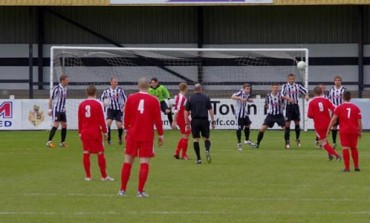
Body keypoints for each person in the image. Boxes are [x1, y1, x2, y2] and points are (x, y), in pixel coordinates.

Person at [118, 77, 164, 198]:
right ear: (148, 86)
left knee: (127, 161)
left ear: (138, 86)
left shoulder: (130, 98)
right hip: (146, 135)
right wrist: (161, 134)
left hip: (132, 134)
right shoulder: (154, 100)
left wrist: (126, 130)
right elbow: (158, 120)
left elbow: (126, 116)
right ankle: (140, 191)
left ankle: (122, 190)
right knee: (144, 162)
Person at [78, 85, 114, 182]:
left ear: (87, 92)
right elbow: (102, 119)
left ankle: (88, 176)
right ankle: (104, 176)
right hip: (95, 132)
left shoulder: (82, 104)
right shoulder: (98, 104)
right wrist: (106, 132)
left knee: (86, 153)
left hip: (85, 132)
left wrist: (79, 132)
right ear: (95, 93)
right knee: (100, 153)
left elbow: (80, 119)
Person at [327, 91, 362, 172]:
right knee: (354, 147)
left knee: (345, 147)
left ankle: (347, 168)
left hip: (344, 130)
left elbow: (333, 120)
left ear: (342, 98)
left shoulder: (339, 107)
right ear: (351, 98)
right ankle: (356, 167)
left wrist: (329, 129)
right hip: (354, 130)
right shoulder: (356, 108)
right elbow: (359, 121)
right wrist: (360, 131)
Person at [307, 86, 341, 161]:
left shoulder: (312, 102)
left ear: (314, 93)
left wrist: (316, 115)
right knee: (324, 139)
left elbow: (309, 115)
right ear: (322, 92)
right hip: (328, 123)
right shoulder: (326, 100)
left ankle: (337, 155)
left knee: (322, 142)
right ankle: (330, 154)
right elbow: (335, 108)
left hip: (319, 124)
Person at [184, 83, 215, 164]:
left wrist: (186, 123)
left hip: (194, 121)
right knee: (206, 138)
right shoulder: (206, 97)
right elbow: (210, 110)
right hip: (204, 120)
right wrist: (213, 121)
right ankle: (207, 150)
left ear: (194, 89)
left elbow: (186, 111)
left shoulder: (190, 98)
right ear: (201, 89)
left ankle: (198, 159)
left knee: (195, 140)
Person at [251, 83, 285, 149]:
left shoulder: (281, 96)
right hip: (271, 115)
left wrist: (281, 108)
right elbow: (266, 105)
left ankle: (287, 144)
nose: (275, 89)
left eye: (276, 88)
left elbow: (283, 105)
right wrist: (266, 107)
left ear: (278, 88)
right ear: (272, 88)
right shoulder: (268, 96)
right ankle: (257, 144)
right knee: (262, 129)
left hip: (279, 115)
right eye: (274, 87)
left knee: (286, 129)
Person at [280, 73, 309, 149]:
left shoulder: (297, 86)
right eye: (290, 79)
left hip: (296, 106)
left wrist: (306, 95)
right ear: (288, 79)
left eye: (293, 79)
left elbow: (305, 91)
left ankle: (298, 139)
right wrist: (288, 98)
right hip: (288, 106)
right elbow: (282, 95)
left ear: (295, 79)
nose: (292, 80)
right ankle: (287, 142)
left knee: (297, 123)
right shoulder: (285, 86)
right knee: (287, 125)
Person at [100, 77, 127, 145]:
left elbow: (125, 99)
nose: (116, 83)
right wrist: (103, 103)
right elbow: (101, 98)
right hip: (110, 109)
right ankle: (109, 140)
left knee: (119, 125)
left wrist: (124, 106)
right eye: (115, 82)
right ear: (111, 82)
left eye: (117, 82)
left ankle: (120, 137)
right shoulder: (106, 91)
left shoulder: (120, 90)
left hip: (119, 110)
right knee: (108, 123)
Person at [46, 74, 69, 148]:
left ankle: (62, 142)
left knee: (64, 125)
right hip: (56, 110)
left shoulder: (65, 89)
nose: (68, 81)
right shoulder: (56, 88)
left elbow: (62, 100)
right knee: (56, 125)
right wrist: (50, 109)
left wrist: (64, 107)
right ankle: (49, 142)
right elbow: (51, 99)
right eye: (67, 80)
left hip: (62, 110)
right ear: (62, 80)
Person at [231, 83, 255, 150]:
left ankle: (247, 140)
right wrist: (239, 98)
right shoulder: (240, 92)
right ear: (243, 88)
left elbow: (246, 99)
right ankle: (239, 144)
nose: (248, 90)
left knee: (248, 124)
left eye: (249, 89)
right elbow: (232, 96)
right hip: (239, 114)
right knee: (239, 128)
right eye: (247, 89)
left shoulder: (247, 94)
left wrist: (249, 100)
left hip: (244, 113)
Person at [171, 82, 191, 160]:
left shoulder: (181, 97)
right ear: (185, 88)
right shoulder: (181, 98)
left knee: (184, 136)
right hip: (182, 118)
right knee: (186, 136)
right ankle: (183, 155)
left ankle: (177, 152)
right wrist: (174, 121)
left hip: (183, 117)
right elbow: (177, 110)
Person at [327, 75, 347, 149]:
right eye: (336, 80)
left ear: (341, 81)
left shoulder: (344, 90)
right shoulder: (331, 90)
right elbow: (328, 101)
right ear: (334, 81)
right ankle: (334, 142)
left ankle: (343, 141)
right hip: (334, 111)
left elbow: (346, 100)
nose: (337, 82)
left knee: (343, 126)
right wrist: (333, 107)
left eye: (339, 80)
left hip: (342, 111)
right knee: (334, 126)